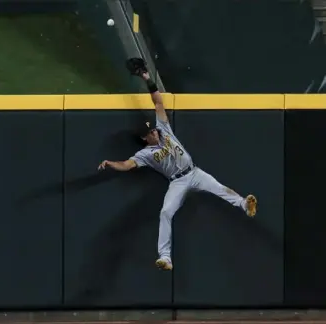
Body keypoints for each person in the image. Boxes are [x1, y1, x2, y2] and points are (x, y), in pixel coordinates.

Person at [97, 72, 257, 271]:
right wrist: (110, 163)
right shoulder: (144, 154)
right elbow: (127, 165)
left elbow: (158, 103)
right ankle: (165, 257)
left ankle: (244, 204)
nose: (153, 132)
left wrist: (147, 78)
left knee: (221, 189)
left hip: (194, 172)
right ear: (144, 137)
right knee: (165, 212)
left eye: (153, 129)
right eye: (150, 132)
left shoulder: (164, 129)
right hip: (177, 182)